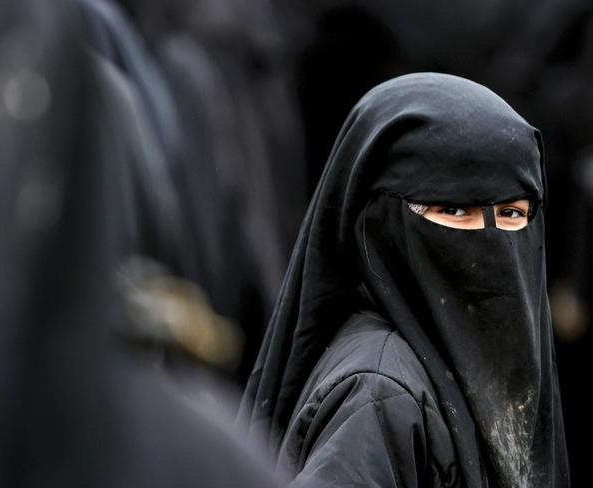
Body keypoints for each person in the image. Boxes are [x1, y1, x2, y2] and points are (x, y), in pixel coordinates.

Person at [240, 73, 570, 487]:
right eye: (453, 210)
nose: (490, 240)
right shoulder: (380, 396)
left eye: (511, 213)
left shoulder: (448, 375)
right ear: (384, 222)